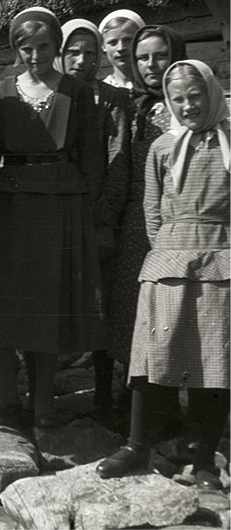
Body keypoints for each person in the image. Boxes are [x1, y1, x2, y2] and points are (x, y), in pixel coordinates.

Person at [97, 60, 228, 489]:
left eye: (196, 96)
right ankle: (137, 446)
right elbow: (152, 210)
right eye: (178, 99)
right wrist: (166, 250)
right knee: (153, 358)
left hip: (221, 260)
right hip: (169, 259)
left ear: (211, 93)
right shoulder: (162, 148)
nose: (188, 106)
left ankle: (204, 457)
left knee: (214, 363)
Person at [0, 7, 106, 428]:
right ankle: (8, 396)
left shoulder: (76, 91)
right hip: (11, 208)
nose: (35, 55)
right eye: (26, 48)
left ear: (57, 45)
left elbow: (91, 155)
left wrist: (88, 212)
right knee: (4, 301)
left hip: (59, 205)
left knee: (46, 304)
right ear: (16, 49)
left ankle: (44, 400)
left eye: (44, 46)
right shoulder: (1, 93)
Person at [59, 18, 133, 416]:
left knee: (102, 302)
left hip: (95, 212)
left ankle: (104, 393)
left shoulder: (110, 100)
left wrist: (105, 218)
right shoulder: (52, 94)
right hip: (57, 212)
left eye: (90, 52)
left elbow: (118, 161)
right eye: (74, 51)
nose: (82, 60)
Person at [110, 26, 188, 367]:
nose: (151, 65)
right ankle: (133, 398)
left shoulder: (190, 105)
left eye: (160, 56)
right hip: (135, 224)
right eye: (142, 58)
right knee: (131, 306)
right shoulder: (131, 108)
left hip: (181, 225)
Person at [98, 10, 145, 91]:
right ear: (103, 46)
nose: (120, 48)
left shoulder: (156, 86)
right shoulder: (99, 91)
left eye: (127, 40)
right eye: (113, 42)